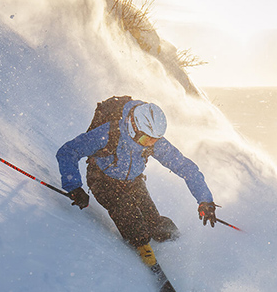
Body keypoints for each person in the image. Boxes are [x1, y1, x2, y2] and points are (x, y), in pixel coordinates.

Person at [56, 98, 217, 266]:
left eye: (154, 140)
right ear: (133, 128)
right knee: (131, 220)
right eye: (146, 140)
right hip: (102, 179)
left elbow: (185, 167)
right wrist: (74, 186)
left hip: (133, 181)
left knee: (157, 225)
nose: (150, 144)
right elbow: (68, 152)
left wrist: (205, 199)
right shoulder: (108, 133)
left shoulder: (152, 139)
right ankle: (142, 246)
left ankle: (178, 249)